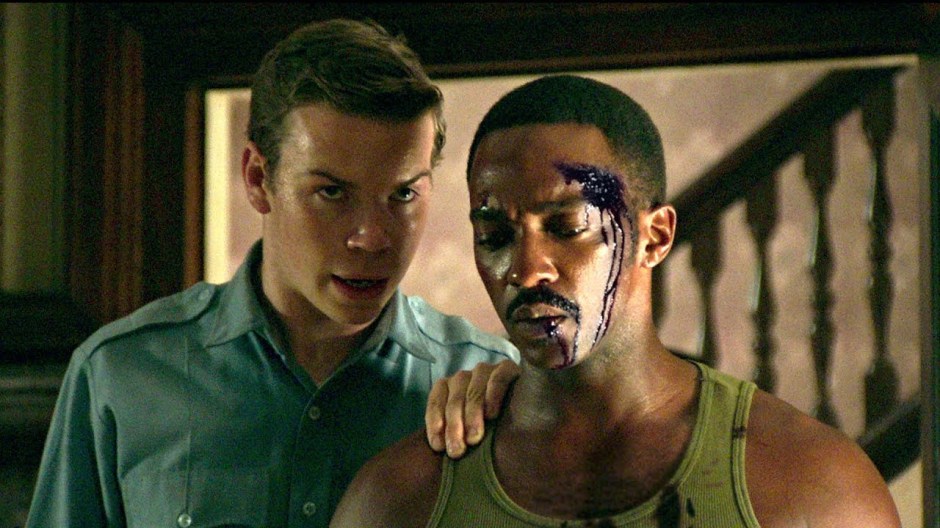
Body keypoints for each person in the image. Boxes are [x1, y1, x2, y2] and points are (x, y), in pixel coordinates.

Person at [329, 74, 902, 527]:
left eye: (567, 226)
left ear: (654, 238)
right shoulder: (398, 499)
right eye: (496, 236)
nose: (526, 269)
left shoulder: (811, 487)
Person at [26, 18, 520, 528]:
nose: (372, 238)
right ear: (258, 179)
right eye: (332, 193)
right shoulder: (120, 376)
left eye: (403, 194)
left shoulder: (490, 385)